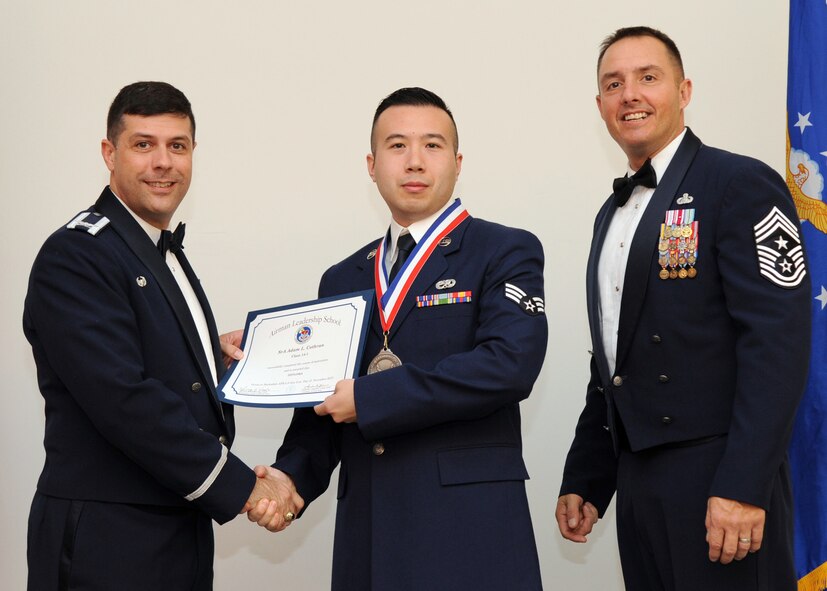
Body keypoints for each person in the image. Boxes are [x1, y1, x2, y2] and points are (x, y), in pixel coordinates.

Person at [244, 87, 548, 590]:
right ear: (371, 164)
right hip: (370, 529)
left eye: (432, 145)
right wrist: (288, 479)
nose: (414, 161)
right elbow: (321, 409)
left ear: (457, 161)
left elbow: (508, 364)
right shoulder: (342, 278)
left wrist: (370, 396)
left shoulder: (505, 250)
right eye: (396, 145)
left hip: (470, 531)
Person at [556, 27, 811, 590]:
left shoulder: (740, 183)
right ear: (599, 105)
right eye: (614, 84)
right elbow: (613, 361)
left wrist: (744, 485)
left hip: (720, 479)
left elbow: (778, 345)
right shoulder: (610, 215)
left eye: (648, 77)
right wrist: (589, 474)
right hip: (639, 482)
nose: (631, 95)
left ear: (684, 89)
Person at [24, 81, 302, 591]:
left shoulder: (156, 249)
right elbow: (123, 397)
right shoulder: (76, 254)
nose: (163, 161)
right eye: (143, 144)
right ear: (110, 153)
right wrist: (243, 486)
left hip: (175, 522)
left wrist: (207, 356)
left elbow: (143, 354)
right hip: (108, 537)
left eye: (178, 146)